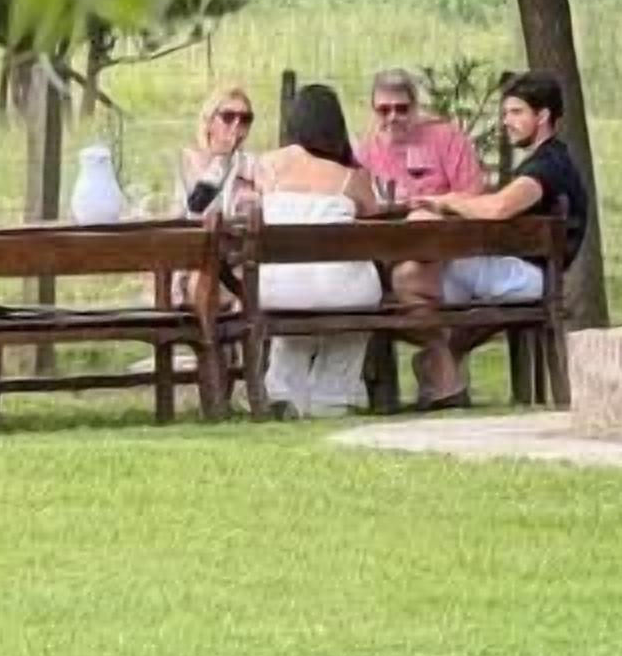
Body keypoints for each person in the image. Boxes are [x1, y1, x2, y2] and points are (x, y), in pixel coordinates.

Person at [395, 70, 587, 409]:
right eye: (505, 113)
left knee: (407, 277)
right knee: (414, 276)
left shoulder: (546, 166)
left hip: (528, 277)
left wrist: (448, 201)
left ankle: (443, 370)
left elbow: (499, 207)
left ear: (542, 117)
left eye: (516, 113)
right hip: (528, 273)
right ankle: (445, 366)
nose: (506, 122)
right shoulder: (550, 160)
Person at [253, 81, 386, 419]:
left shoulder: (266, 167)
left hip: (277, 288)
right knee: (355, 296)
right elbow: (375, 215)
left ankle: (282, 389)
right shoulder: (350, 177)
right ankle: (333, 393)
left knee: (296, 298)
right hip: (340, 288)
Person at [356, 69, 486, 205]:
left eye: (401, 109)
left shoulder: (448, 139)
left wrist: (426, 203)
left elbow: (472, 194)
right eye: (384, 110)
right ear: (373, 111)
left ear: (415, 108)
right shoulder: (366, 151)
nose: (393, 117)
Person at [179, 87, 261, 221]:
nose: (236, 124)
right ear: (209, 120)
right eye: (228, 117)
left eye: (245, 119)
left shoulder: (250, 165)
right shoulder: (184, 162)